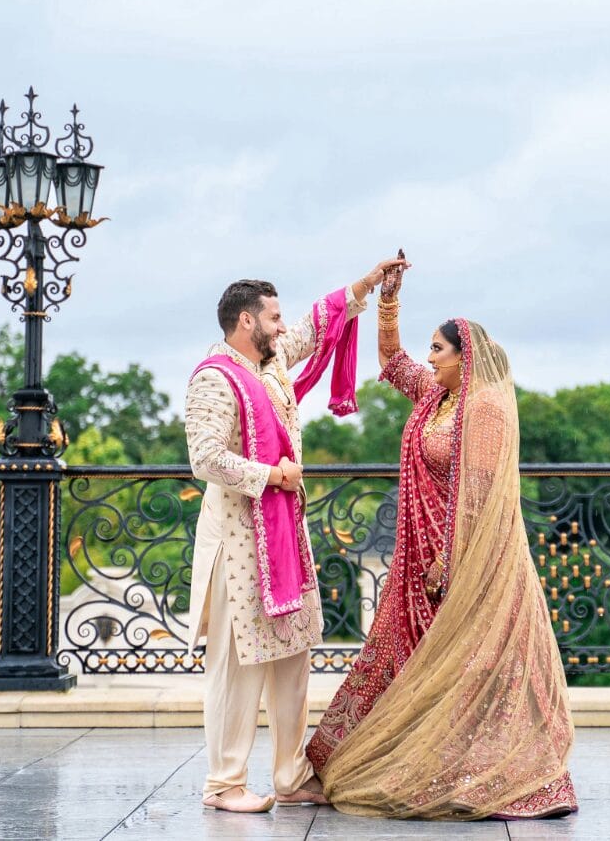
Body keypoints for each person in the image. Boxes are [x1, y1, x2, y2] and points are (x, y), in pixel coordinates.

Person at [305, 261, 578, 820]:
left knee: (469, 664)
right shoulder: (436, 398)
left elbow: (477, 497)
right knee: (412, 661)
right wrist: (389, 298)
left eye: (438, 349)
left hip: (460, 561)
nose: (429, 358)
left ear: (464, 355)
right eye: (430, 349)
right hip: (416, 554)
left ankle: (488, 772)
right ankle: (419, 759)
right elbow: (390, 359)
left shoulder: (484, 411)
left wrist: (447, 562)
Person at [185, 258, 406, 814]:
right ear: (244, 322)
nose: (283, 327)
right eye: (273, 317)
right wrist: (271, 476)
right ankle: (224, 783)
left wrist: (369, 286)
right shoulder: (215, 377)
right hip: (238, 539)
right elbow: (205, 458)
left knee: (291, 657)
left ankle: (290, 773)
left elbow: (318, 324)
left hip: (280, 535)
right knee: (238, 666)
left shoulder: (270, 357)